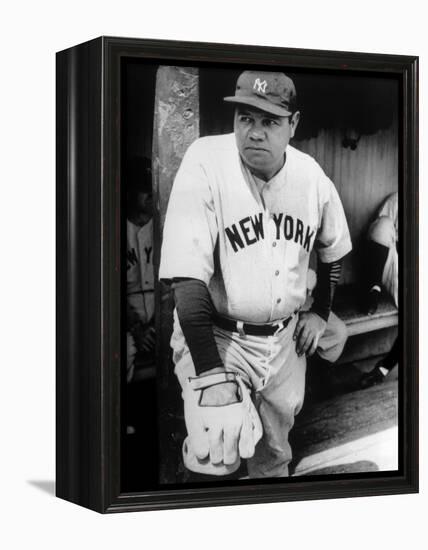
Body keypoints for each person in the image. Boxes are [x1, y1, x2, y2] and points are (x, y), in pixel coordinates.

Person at [159, 71, 352, 478]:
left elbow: (333, 250)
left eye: (270, 121)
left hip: (283, 343)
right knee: (215, 450)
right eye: (246, 118)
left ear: (293, 124)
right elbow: (186, 277)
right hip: (218, 334)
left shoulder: (311, 176)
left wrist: (320, 313)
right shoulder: (206, 160)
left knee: (273, 457)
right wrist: (212, 375)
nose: (256, 132)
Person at [360, 192, 398, 388]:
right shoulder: (398, 198)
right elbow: (377, 235)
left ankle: (383, 368)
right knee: (383, 224)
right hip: (395, 263)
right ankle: (372, 289)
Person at [126, 156, 155, 382]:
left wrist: (156, 326)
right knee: (125, 353)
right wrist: (136, 328)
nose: (149, 195)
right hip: (126, 324)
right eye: (143, 189)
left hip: (160, 321)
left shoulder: (163, 226)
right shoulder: (115, 227)